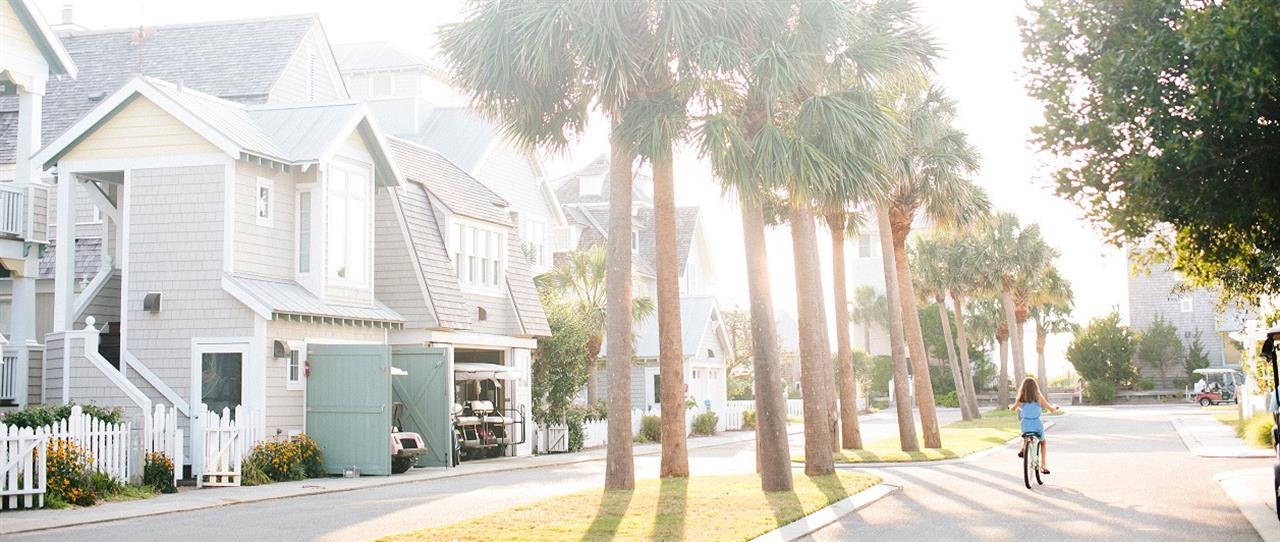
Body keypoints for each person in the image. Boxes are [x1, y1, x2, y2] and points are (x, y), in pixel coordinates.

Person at [1011, 376, 1059, 474]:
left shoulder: (1021, 398)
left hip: (1025, 424)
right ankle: (1043, 465)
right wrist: (1055, 406)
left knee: (1026, 435)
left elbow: (1013, 408)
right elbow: (1051, 409)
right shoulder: (1038, 397)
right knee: (1043, 442)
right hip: (1036, 424)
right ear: (1035, 387)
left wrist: (1011, 407)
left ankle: (1023, 448)